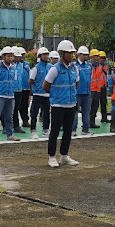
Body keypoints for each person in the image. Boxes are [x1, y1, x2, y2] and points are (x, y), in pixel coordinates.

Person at [44, 39, 80, 167]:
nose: (71, 55)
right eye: (68, 53)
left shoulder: (75, 68)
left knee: (68, 132)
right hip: (58, 106)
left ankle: (64, 156)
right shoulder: (55, 69)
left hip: (71, 105)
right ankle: (51, 157)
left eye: (72, 53)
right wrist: (57, 95)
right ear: (62, 53)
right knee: (54, 132)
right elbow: (45, 86)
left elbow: (76, 84)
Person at [28, 47, 52, 139]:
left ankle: (46, 129)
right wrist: (37, 86)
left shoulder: (50, 67)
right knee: (34, 113)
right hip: (37, 94)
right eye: (44, 55)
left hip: (47, 94)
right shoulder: (36, 68)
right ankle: (33, 130)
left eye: (47, 55)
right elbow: (31, 80)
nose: (46, 56)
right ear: (40, 56)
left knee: (46, 113)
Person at [72, 46, 94, 136]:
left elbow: (90, 77)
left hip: (87, 93)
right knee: (74, 112)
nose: (86, 56)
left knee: (86, 112)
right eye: (84, 55)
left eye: (87, 55)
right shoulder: (74, 65)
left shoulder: (89, 66)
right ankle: (73, 130)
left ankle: (86, 129)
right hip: (77, 93)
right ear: (79, 55)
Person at [12, 47, 32, 134]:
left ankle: (18, 124)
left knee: (20, 107)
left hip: (21, 89)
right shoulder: (8, 65)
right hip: (11, 90)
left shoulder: (23, 65)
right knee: (11, 108)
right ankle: (8, 125)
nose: (20, 57)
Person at [89, 50, 109, 127]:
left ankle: (92, 121)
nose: (100, 58)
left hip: (98, 88)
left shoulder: (101, 67)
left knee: (96, 106)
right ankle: (88, 122)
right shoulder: (88, 66)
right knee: (89, 106)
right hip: (91, 89)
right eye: (97, 56)